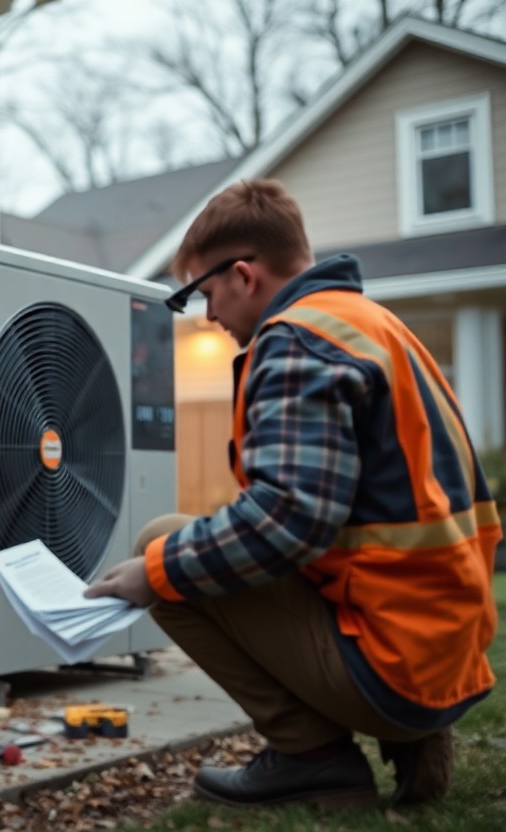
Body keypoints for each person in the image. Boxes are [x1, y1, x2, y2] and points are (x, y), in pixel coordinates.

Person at [85, 179, 500, 809]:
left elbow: (288, 521)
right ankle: (414, 732)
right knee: (183, 550)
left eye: (201, 292)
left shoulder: (296, 341)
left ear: (244, 276)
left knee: (159, 547)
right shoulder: (375, 324)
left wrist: (156, 573)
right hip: (445, 647)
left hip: (395, 663)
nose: (207, 315)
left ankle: (313, 758)